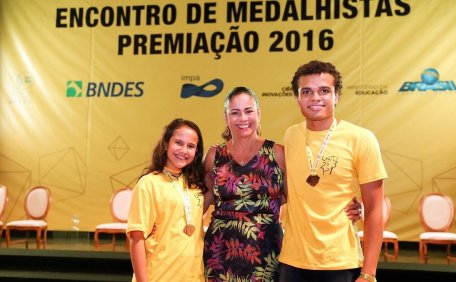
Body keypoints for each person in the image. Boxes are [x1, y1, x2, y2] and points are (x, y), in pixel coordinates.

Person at [202, 86, 363, 281]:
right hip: (220, 251)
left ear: (259, 114)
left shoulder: (277, 154)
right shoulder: (214, 156)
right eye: (235, 112)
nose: (243, 118)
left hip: (266, 250)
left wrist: (353, 206)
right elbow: (200, 199)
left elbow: (301, 193)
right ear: (226, 117)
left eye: (249, 111)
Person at [279, 61, 387, 282]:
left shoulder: (361, 139)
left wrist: (369, 273)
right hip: (292, 262)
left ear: (337, 96)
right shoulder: (290, 136)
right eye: (306, 91)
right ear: (297, 98)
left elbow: (376, 208)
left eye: (324, 91)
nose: (315, 97)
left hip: (340, 263)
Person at [127, 118, 207, 282]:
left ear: (196, 152)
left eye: (191, 146)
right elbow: (136, 239)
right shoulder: (148, 184)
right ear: (165, 144)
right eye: (178, 143)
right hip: (158, 276)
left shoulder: (196, 185)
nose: (184, 150)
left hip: (194, 278)